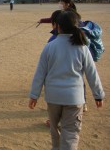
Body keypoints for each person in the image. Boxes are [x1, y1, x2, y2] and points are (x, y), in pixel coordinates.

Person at [29, 10, 105, 150]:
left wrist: (34, 95)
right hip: (74, 99)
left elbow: (40, 73)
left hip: (53, 98)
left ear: (57, 26)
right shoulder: (82, 47)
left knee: (54, 132)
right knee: (70, 134)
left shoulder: (49, 47)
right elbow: (91, 73)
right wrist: (98, 94)